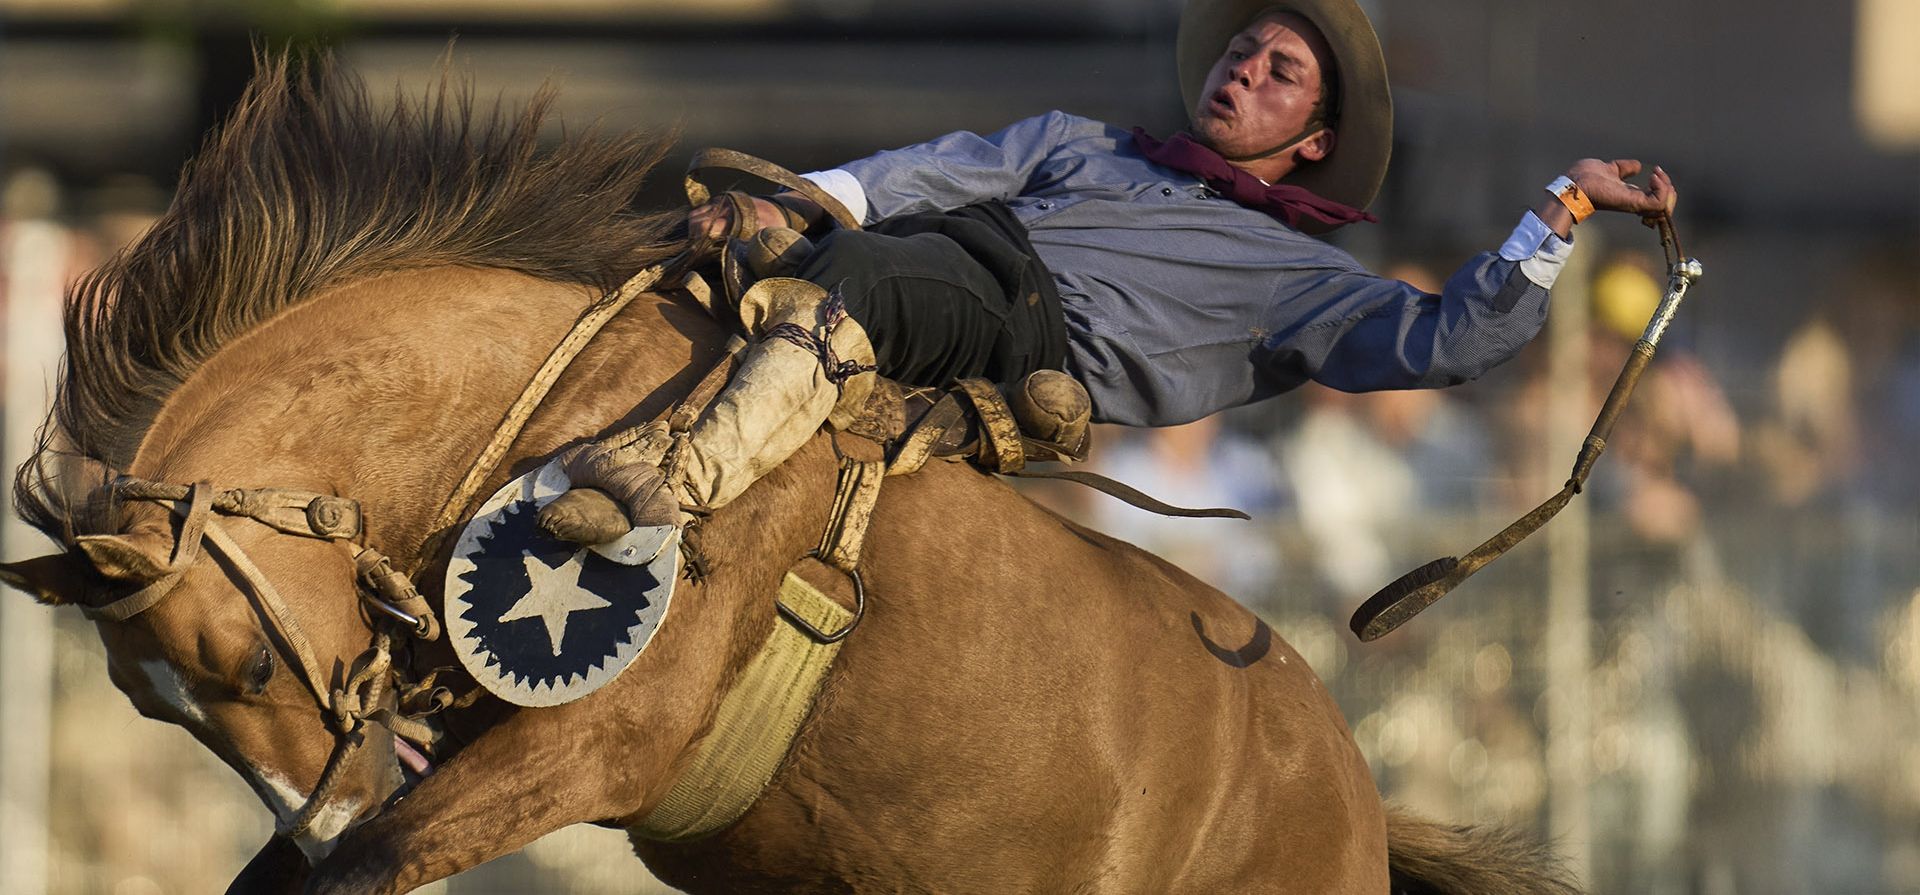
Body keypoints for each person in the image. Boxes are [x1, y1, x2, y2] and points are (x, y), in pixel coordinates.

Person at [537, 0, 1678, 544]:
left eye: (1279, 73)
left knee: (876, 273)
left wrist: (1564, 207)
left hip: (1025, 334)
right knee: (744, 240)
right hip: (933, 255)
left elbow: (1456, 340)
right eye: (1242, 50)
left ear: (1315, 139)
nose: (1242, 71)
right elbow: (929, 170)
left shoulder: (1301, 275)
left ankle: (670, 487)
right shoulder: (1083, 140)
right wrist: (797, 199)